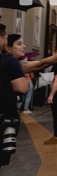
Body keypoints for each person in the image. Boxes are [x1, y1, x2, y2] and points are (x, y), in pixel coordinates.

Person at [1, 35, 30, 167]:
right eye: (19, 43)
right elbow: (22, 88)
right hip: (5, 115)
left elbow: (40, 64)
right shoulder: (10, 61)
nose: (23, 46)